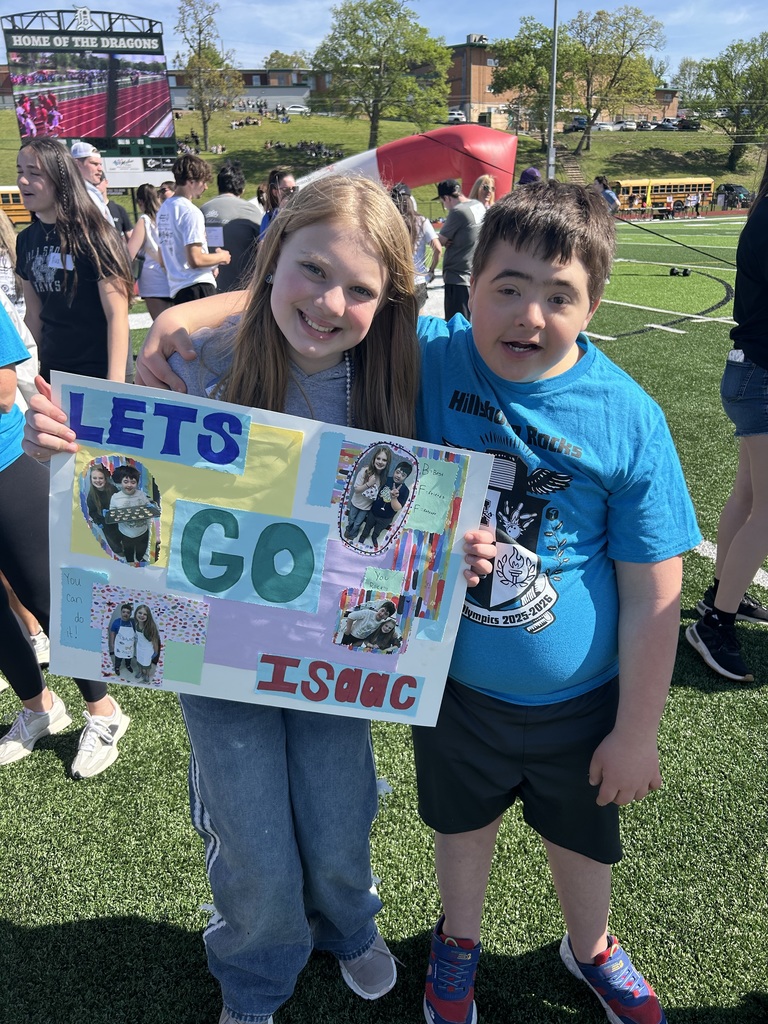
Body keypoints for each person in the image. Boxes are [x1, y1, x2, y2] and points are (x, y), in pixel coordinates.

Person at [23, 174, 493, 1024]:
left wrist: (453, 544)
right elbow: (114, 470)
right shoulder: (196, 359)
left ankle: (350, 924)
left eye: (359, 289)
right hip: (213, 656)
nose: (330, 303)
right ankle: (256, 966)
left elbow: (422, 503)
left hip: (331, 654)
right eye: (312, 270)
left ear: (386, 302)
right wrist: (61, 441)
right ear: (271, 258)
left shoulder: (394, 377)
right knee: (252, 842)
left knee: (340, 810)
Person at [411, 182, 700, 1024]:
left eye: (558, 295)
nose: (528, 314)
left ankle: (591, 947)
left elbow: (655, 591)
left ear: (594, 303)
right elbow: (326, 302)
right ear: (470, 288)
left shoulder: (628, 417)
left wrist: (636, 727)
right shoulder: (430, 354)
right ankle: (457, 943)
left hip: (582, 701)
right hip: (456, 690)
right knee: (460, 829)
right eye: (507, 287)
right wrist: (180, 320)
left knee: (582, 835)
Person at [0, 301, 129, 779]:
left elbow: (3, 392)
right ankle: (39, 709)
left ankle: (104, 712)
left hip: (6, 462)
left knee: (46, 595)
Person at [687, 154, 768, 682]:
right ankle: (715, 623)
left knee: (749, 496)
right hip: (761, 374)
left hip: (750, 371)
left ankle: (722, 595)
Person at [16, 138, 134, 383]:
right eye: (20, 172)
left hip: (99, 372)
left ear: (61, 179)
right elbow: (34, 315)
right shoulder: (26, 239)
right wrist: (24, 373)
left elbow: (117, 315)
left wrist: (115, 383)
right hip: (52, 372)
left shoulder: (96, 235)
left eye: (34, 173)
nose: (22, 181)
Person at [155, 153, 231, 305]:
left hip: (177, 289)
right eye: (203, 182)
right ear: (191, 181)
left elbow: (162, 259)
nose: (206, 187)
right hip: (198, 287)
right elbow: (195, 259)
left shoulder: (163, 210)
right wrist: (222, 257)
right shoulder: (190, 211)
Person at [201, 160, 263, 292]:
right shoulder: (250, 211)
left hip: (209, 288)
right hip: (243, 290)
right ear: (242, 189)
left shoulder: (202, 210)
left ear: (219, 186)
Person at [435, 179, 485, 321]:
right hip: (473, 272)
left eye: (443, 202)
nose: (445, 206)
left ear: (446, 198)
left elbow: (440, 241)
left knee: (456, 325)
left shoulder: (457, 212)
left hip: (457, 276)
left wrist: (439, 237)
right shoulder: (477, 205)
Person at [390, 183, 441, 310]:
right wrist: (431, 270)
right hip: (418, 280)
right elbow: (438, 248)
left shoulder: (390, 222)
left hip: (396, 281)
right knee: (418, 320)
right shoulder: (422, 221)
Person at [128, 183, 172, 321]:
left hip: (153, 281)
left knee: (161, 325)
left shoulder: (144, 221)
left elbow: (129, 253)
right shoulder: (167, 217)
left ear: (140, 202)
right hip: (172, 277)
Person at [359, 459, 412, 548]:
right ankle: (363, 536)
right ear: (394, 471)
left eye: (403, 475)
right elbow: (375, 491)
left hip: (386, 518)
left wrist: (394, 497)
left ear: (406, 477)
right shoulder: (386, 479)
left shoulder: (405, 490)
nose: (398, 476)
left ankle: (374, 537)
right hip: (373, 512)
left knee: (378, 530)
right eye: (397, 472)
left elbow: (397, 508)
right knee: (367, 527)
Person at [344, 445, 391, 541]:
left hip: (366, 507)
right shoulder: (364, 471)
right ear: (374, 459)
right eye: (378, 458)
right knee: (351, 519)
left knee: (358, 523)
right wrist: (369, 484)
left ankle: (353, 532)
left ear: (387, 463)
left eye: (384, 460)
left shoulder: (383, 478)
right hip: (355, 502)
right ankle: (349, 528)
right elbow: (356, 489)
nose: (380, 462)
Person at [108, 464, 153, 564]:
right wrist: (111, 514)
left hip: (142, 531)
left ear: (137, 483)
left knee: (141, 551)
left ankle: (140, 558)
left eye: (133, 482)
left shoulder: (141, 494)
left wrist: (151, 507)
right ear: (121, 482)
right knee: (128, 551)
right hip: (126, 533)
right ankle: (130, 562)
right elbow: (112, 512)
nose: (129, 485)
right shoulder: (115, 497)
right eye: (126, 481)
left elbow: (148, 505)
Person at [85, 461, 123, 556]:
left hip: (117, 518)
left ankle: (125, 546)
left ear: (105, 479)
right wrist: (99, 522)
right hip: (105, 522)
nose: (98, 480)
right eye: (95, 478)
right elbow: (92, 512)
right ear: (91, 479)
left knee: (122, 534)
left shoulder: (112, 488)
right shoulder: (91, 496)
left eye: (100, 478)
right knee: (112, 538)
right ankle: (119, 552)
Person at [70, 141, 111, 220]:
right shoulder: (74, 195)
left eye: (100, 164)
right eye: (94, 164)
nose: (100, 169)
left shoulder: (92, 193)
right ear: (77, 164)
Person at [257, 166, 297, 241]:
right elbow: (264, 247)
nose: (291, 193)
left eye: (294, 189)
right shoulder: (268, 219)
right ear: (275, 192)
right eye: (286, 190)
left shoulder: (301, 210)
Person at [133, 603, 161, 683]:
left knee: (147, 663)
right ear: (136, 613)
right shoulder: (137, 624)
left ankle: (147, 675)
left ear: (148, 616)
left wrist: (156, 652)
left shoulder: (150, 628)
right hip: (139, 647)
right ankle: (140, 672)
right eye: (140, 613)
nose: (142, 615)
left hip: (148, 650)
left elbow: (155, 640)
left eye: (145, 614)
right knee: (139, 661)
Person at [109, 602, 135, 675]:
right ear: (121, 612)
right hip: (119, 645)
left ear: (130, 614)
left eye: (128, 612)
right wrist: (112, 643)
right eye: (124, 612)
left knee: (128, 657)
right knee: (118, 658)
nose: (125, 614)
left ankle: (128, 665)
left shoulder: (132, 622)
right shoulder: (116, 622)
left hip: (129, 645)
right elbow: (112, 632)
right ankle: (117, 667)